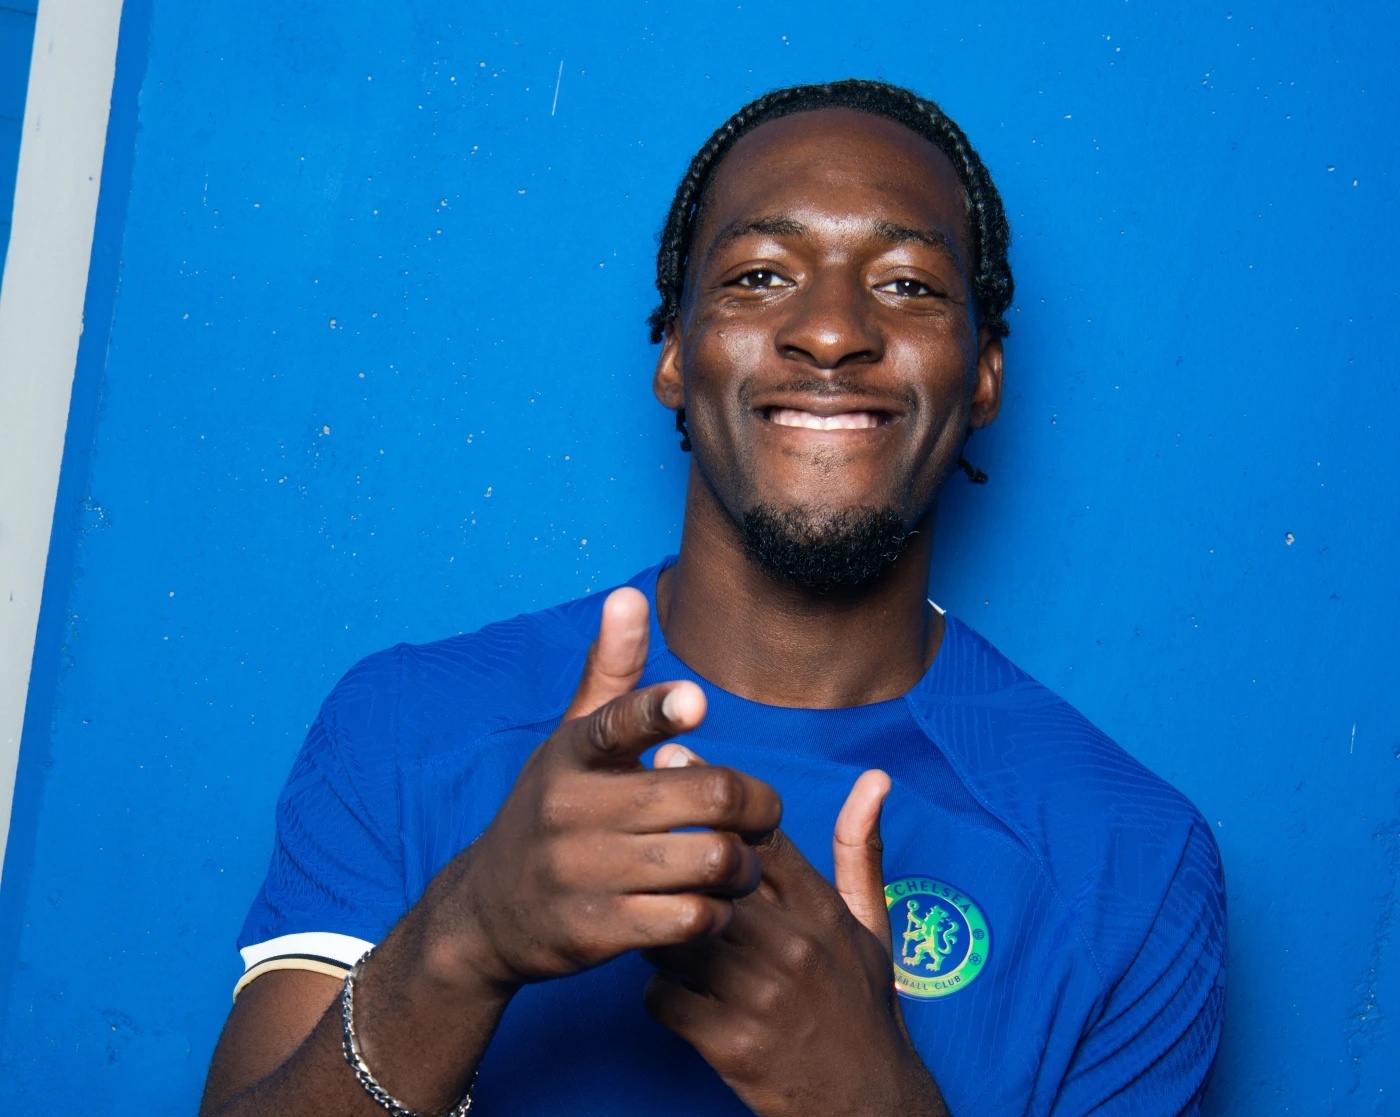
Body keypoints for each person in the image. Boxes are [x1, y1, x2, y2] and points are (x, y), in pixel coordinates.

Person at [199, 79, 1226, 1117]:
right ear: (676, 352)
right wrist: (463, 939)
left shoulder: (1129, 860)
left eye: (908, 284)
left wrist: (875, 1102)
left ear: (984, 375)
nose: (832, 331)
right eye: (760, 275)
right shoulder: (408, 727)